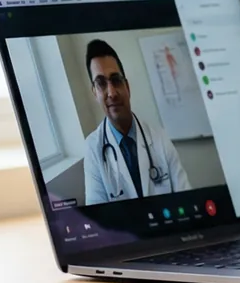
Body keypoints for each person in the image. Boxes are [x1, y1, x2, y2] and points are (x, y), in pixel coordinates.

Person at [81, 39, 190, 203]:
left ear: (127, 87)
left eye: (116, 80)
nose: (111, 92)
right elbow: (99, 219)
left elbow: (186, 198)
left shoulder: (160, 138)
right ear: (95, 93)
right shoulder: (93, 149)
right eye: (101, 84)